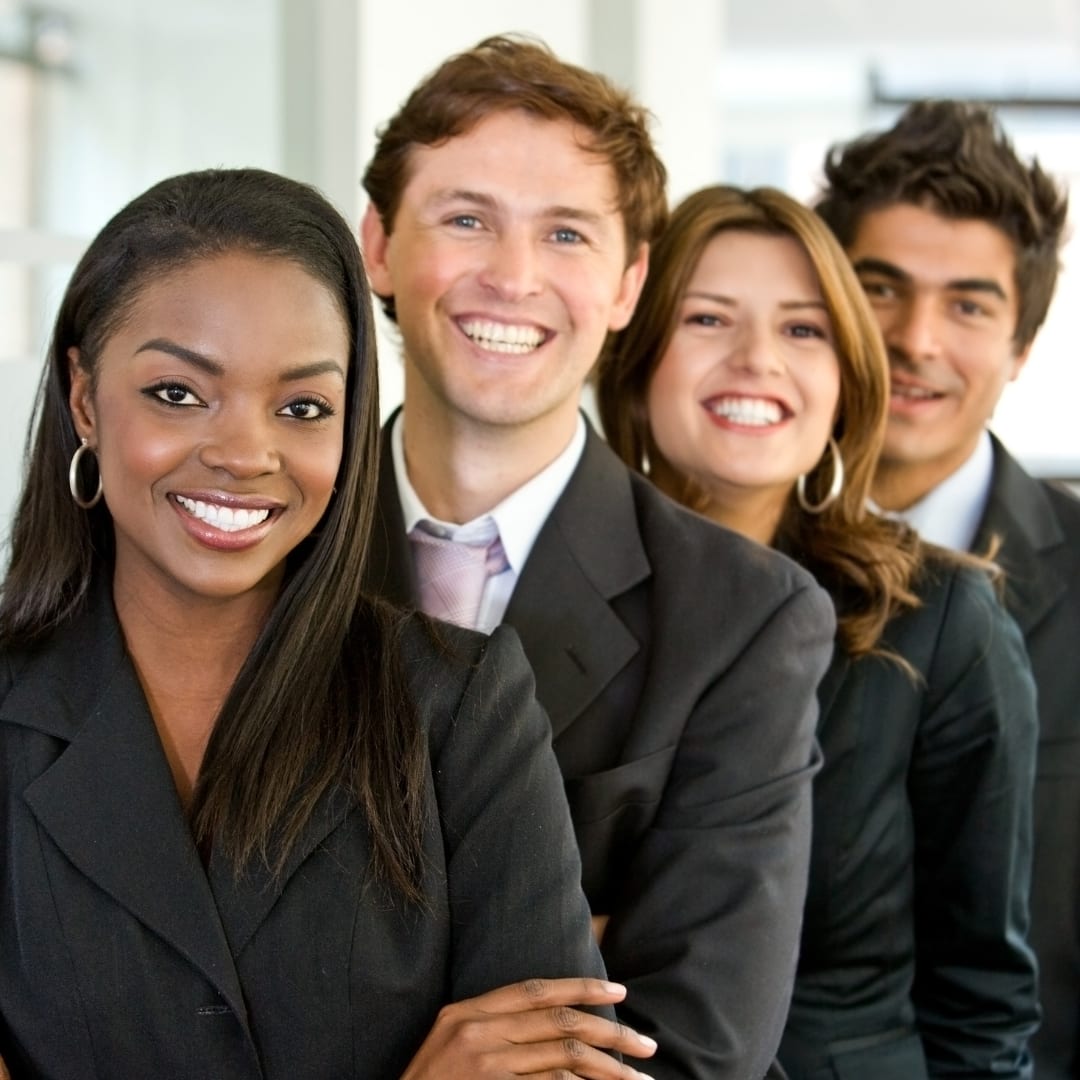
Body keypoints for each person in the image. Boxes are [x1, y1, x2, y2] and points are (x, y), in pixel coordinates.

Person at [0, 167, 660, 1079]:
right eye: (178, 393)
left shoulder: (460, 706)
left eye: (303, 407)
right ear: (83, 399)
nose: (243, 453)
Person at [359, 33, 836, 1080]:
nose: (514, 276)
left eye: (567, 235)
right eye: (467, 218)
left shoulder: (746, 618)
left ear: (628, 284)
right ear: (379, 247)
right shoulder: (261, 547)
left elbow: (700, 1049)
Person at [597, 183, 1041, 1076]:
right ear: (639, 361)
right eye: (710, 320)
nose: (758, 359)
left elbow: (981, 999)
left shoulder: (943, 625)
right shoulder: (542, 596)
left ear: (845, 382)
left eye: (804, 331)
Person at [815, 101, 1080, 1078]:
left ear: (1020, 347)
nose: (916, 339)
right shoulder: (725, 571)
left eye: (969, 304)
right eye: (880, 289)